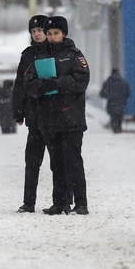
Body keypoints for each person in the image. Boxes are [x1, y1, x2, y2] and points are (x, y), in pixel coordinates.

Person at [24, 15, 90, 215]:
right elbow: (27, 82)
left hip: (71, 119)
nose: (52, 37)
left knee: (73, 161)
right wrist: (42, 86)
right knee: (57, 164)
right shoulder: (39, 56)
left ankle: (81, 203)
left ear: (64, 34)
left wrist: (58, 83)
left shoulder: (74, 55)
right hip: (48, 119)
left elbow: (82, 80)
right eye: (49, 33)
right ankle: (59, 202)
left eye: (56, 33)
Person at [12, 14, 48, 212]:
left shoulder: (56, 51)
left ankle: (63, 200)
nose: (37, 35)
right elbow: (19, 85)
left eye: (40, 31)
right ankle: (28, 202)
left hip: (54, 116)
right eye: (33, 32)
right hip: (34, 116)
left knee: (59, 161)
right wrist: (19, 110)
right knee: (32, 162)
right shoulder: (27, 55)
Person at [100, 69, 132, 134]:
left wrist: (110, 96)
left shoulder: (108, 83)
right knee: (119, 118)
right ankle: (118, 130)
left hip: (111, 105)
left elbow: (102, 94)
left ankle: (115, 131)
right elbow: (128, 94)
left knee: (114, 119)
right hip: (121, 105)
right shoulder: (124, 82)